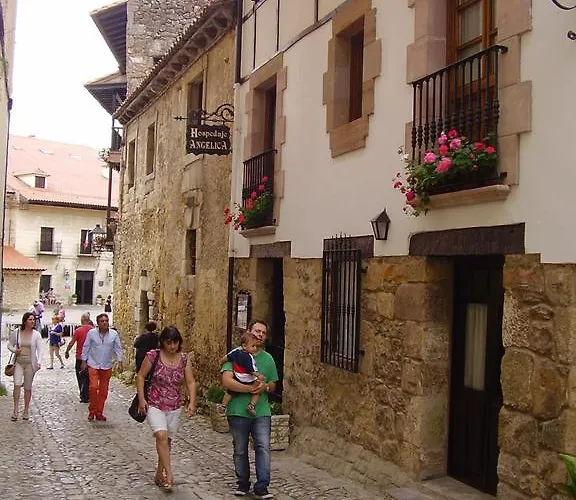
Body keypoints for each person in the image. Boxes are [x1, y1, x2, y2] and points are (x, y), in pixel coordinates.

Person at [221, 320, 279, 499]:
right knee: (240, 449)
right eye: (257, 331)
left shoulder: (268, 359)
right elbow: (227, 381)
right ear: (249, 332)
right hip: (238, 410)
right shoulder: (236, 355)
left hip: (261, 411)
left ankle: (262, 486)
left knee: (263, 447)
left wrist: (265, 387)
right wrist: (249, 389)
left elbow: (273, 385)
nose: (260, 335)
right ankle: (243, 483)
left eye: (263, 332)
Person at [136, 326, 196, 491]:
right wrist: (142, 399)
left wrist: (192, 402)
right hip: (154, 402)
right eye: (169, 342)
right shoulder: (153, 356)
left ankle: (158, 473)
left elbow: (190, 381)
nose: (172, 346)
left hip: (174, 405)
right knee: (161, 436)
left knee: (167, 441)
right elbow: (140, 376)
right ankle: (169, 475)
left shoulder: (184, 359)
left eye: (175, 342)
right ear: (162, 342)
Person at [80, 313, 123, 421]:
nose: (105, 323)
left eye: (106, 321)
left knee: (103, 390)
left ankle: (99, 412)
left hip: (106, 364)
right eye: (102, 321)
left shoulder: (113, 334)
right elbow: (86, 347)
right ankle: (92, 410)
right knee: (93, 387)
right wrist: (84, 361)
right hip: (93, 363)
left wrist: (119, 361)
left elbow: (118, 348)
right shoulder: (92, 333)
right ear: (98, 323)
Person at [7, 312, 43, 421]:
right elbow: (9, 344)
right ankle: (15, 410)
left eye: (33, 320)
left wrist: (39, 363)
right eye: (30, 319)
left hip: (30, 363)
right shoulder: (17, 332)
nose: (32, 321)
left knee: (27, 387)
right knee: (17, 384)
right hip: (18, 362)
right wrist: (15, 350)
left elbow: (40, 350)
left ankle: (26, 410)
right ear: (25, 321)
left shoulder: (36, 334)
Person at [220, 332, 264, 416]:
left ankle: (223, 406)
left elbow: (227, 357)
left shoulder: (236, 353)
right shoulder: (248, 357)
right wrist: (258, 375)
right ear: (244, 346)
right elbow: (250, 370)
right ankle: (251, 405)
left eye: (256, 346)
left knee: (229, 392)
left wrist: (221, 361)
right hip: (247, 377)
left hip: (237, 376)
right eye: (253, 346)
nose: (255, 348)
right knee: (257, 390)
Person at [64, 312, 93, 403]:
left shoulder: (78, 331)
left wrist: (67, 351)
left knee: (80, 376)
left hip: (80, 357)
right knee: (88, 376)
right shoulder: (93, 330)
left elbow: (71, 343)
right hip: (91, 357)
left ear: (82, 320)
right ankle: (88, 394)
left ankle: (83, 394)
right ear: (88, 320)